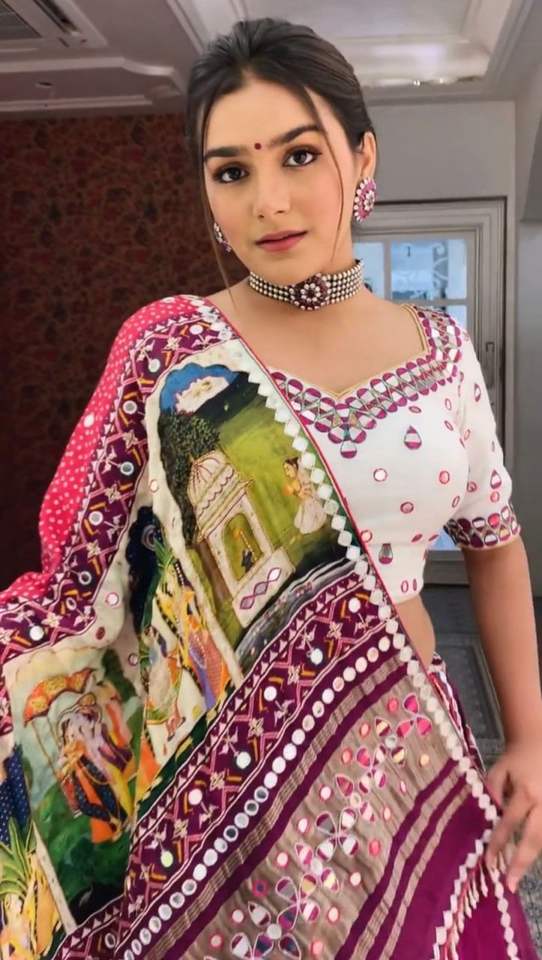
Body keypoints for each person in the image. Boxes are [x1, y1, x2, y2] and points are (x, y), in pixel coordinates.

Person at [0, 15, 541, 959]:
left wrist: (529, 738)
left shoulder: (442, 352)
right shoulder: (168, 351)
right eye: (231, 171)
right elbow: (76, 581)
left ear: (362, 157)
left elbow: (494, 544)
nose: (269, 201)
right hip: (229, 784)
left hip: (406, 747)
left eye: (299, 155)